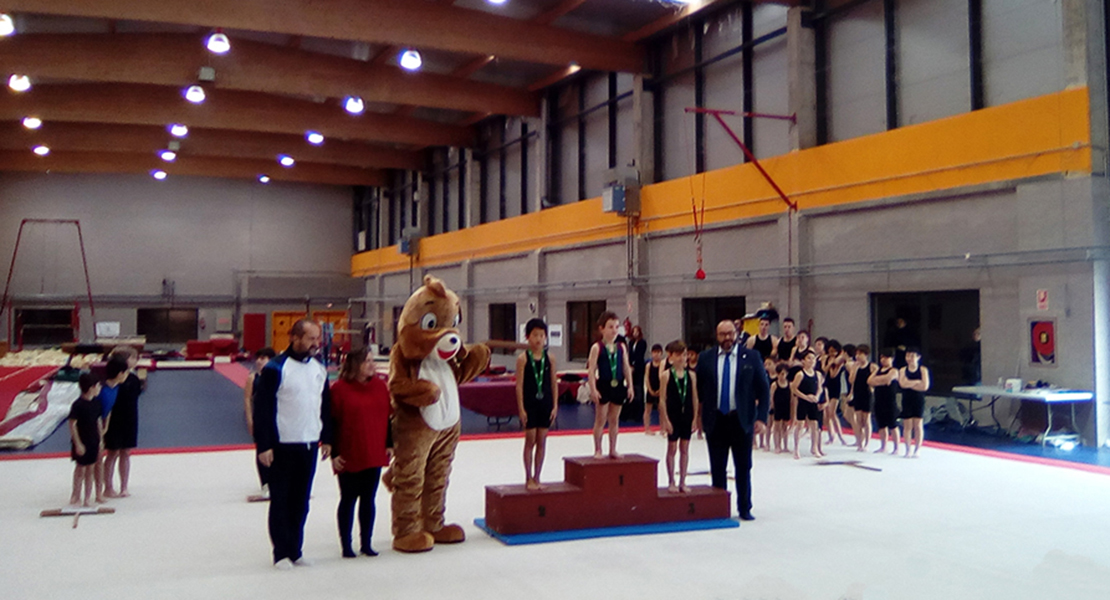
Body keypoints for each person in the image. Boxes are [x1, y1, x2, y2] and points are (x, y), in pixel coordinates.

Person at [254, 319, 333, 570]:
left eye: (317, 339)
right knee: (281, 500)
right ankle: (280, 553)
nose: (316, 344)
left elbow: (326, 407)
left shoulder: (319, 369)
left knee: (301, 501)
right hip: (282, 445)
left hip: (309, 442)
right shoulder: (276, 368)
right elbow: (263, 409)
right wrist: (264, 446)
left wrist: (328, 438)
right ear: (295, 338)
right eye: (311, 339)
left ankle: (296, 549)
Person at [696, 320, 770, 521]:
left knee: (743, 466)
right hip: (716, 420)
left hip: (741, 420)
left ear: (737, 333)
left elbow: (764, 390)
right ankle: (719, 508)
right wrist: (698, 417)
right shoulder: (705, 358)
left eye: (730, 333)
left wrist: (762, 418)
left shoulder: (752, 357)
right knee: (717, 467)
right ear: (716, 335)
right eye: (722, 334)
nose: (727, 338)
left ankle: (744, 507)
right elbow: (699, 391)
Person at [329, 348, 391, 558]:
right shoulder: (339, 389)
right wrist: (334, 452)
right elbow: (332, 422)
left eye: (373, 361)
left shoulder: (381, 387)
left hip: (373, 449)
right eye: (367, 362)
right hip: (349, 451)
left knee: (368, 498)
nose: (372, 365)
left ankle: (367, 542)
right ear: (355, 365)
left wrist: (389, 443)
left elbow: (388, 417)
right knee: (348, 499)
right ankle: (346, 544)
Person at [516, 318, 559, 490]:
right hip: (530, 404)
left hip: (545, 403)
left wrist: (555, 405)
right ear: (528, 337)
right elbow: (518, 386)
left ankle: (537, 477)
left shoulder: (550, 358)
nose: (539, 339)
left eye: (542, 335)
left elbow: (553, 382)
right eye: (535, 335)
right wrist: (521, 409)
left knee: (542, 441)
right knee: (530, 440)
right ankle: (528, 478)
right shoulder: (523, 359)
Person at [587, 311, 633, 459]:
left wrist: (630, 386)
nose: (614, 330)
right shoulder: (597, 347)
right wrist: (593, 389)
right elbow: (591, 370)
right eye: (610, 327)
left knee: (614, 420)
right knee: (600, 419)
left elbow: (626, 367)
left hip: (618, 384)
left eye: (616, 327)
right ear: (602, 329)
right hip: (604, 385)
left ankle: (613, 449)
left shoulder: (621, 347)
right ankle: (598, 449)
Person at [659, 340, 700, 493]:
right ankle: (671, 480)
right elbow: (662, 400)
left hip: (687, 416)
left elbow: (695, 398)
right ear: (671, 357)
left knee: (685, 449)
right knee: (672, 449)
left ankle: (683, 480)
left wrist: (695, 418)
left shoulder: (692, 375)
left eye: (684, 355)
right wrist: (665, 421)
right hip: (673, 416)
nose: (682, 358)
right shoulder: (666, 375)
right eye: (678, 355)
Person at [103, 347, 143, 498]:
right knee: (112, 453)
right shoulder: (111, 380)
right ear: (125, 361)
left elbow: (137, 393)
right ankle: (108, 486)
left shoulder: (133, 379)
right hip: (114, 420)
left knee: (126, 452)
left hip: (130, 418)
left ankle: (124, 486)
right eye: (134, 358)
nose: (136, 361)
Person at [244, 347, 277, 499]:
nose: (259, 361)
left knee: (279, 451)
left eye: (263, 358)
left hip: (276, 418)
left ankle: (279, 482)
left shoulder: (278, 376)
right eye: (258, 358)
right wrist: (250, 419)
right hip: (260, 418)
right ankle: (265, 485)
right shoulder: (253, 377)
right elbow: (247, 399)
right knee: (262, 450)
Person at [95, 357, 129, 502]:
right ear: (120, 373)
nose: (127, 376)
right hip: (90, 424)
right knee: (95, 460)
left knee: (109, 454)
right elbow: (95, 411)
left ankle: (104, 488)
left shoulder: (116, 388)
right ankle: (101, 490)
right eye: (126, 373)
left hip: (102, 425)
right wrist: (99, 434)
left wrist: (105, 428)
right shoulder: (102, 390)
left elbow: (107, 412)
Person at [68, 372, 104, 508]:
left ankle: (88, 497)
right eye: (98, 386)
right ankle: (75, 495)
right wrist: (77, 443)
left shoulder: (96, 403)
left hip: (93, 440)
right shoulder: (78, 405)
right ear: (91, 388)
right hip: (82, 441)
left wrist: (101, 440)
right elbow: (72, 424)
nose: (99, 389)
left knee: (91, 469)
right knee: (80, 469)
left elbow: (98, 422)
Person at [791, 350, 826, 459]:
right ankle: (796, 448)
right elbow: (794, 389)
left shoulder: (818, 374)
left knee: (814, 425)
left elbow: (820, 388)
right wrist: (806, 397)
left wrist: (817, 396)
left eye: (813, 358)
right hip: (803, 401)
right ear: (803, 361)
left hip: (813, 401)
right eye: (809, 358)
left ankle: (814, 447)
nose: (811, 361)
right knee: (800, 424)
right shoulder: (800, 374)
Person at [898, 348, 930, 458]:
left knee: (918, 425)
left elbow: (924, 386)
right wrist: (917, 382)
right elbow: (902, 384)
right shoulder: (903, 370)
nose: (910, 359)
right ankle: (908, 449)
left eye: (912, 356)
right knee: (907, 425)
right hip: (907, 399)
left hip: (918, 399)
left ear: (918, 357)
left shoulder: (923, 370)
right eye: (908, 356)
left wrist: (909, 383)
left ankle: (917, 449)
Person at [868, 349, 900, 455]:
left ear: (892, 359)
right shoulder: (877, 370)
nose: (883, 360)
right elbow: (869, 381)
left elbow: (887, 379)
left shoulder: (894, 370)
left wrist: (878, 381)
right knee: (881, 425)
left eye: (886, 358)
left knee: (892, 425)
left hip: (890, 401)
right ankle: (883, 446)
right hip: (879, 400)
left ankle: (896, 447)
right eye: (882, 357)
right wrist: (880, 380)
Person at [847, 345, 876, 451]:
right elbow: (851, 380)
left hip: (867, 393)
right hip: (858, 393)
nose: (858, 356)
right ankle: (860, 442)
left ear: (866, 355)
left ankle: (867, 442)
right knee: (858, 419)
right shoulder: (855, 366)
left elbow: (875, 380)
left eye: (860, 354)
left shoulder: (872, 366)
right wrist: (854, 368)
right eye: (857, 354)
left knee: (866, 419)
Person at [822, 340, 848, 446]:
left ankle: (841, 436)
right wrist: (830, 363)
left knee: (832, 413)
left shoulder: (840, 362)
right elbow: (824, 369)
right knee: (827, 414)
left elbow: (833, 374)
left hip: (835, 386)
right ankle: (831, 436)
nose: (832, 353)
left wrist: (834, 363)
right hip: (827, 386)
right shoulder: (825, 358)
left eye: (834, 351)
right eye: (830, 351)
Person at [770, 363, 792, 454]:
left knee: (785, 427)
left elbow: (792, 398)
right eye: (780, 374)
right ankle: (777, 445)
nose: (782, 376)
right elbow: (771, 397)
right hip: (777, 406)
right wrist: (772, 407)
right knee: (777, 427)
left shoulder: (790, 384)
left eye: (784, 374)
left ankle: (786, 446)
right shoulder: (774, 385)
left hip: (786, 406)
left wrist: (792, 410)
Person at [628, 325, 648, 422]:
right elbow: (630, 355)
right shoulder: (631, 342)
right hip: (631, 368)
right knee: (632, 387)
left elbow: (639, 355)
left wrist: (635, 365)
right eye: (634, 331)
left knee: (639, 387)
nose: (635, 333)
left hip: (639, 367)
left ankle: (639, 413)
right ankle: (631, 412)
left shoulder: (642, 342)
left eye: (637, 331)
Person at [643, 344, 664, 435]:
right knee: (648, 410)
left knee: (661, 410)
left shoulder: (663, 364)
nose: (656, 355)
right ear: (651, 353)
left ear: (661, 353)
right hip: (651, 388)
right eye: (654, 352)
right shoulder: (648, 365)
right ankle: (647, 428)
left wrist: (661, 390)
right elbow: (646, 378)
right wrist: (650, 389)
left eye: (658, 353)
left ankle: (663, 429)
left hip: (661, 389)